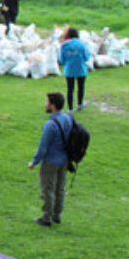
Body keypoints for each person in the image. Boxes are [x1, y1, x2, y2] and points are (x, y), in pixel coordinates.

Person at [29, 93, 73, 227]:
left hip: (51, 161)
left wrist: (34, 162)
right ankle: (57, 215)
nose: (46, 104)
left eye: (47, 102)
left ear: (53, 105)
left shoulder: (50, 125)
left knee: (48, 189)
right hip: (64, 160)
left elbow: (43, 147)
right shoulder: (68, 118)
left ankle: (46, 217)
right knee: (60, 189)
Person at [59, 27, 90, 112]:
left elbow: (61, 59)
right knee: (81, 87)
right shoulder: (81, 44)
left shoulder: (64, 46)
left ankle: (70, 108)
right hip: (81, 69)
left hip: (69, 70)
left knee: (70, 89)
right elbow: (86, 57)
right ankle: (80, 104)